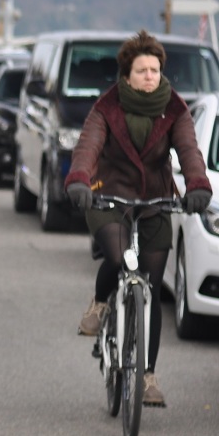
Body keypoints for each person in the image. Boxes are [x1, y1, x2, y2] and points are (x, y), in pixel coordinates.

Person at [64, 29, 213, 406]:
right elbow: (88, 147)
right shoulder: (107, 107)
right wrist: (79, 179)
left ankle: (146, 375)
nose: (150, 76)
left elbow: (190, 151)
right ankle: (100, 305)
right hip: (109, 193)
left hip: (156, 199)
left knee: (149, 282)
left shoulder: (175, 108)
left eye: (155, 70)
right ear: (126, 74)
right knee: (116, 258)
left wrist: (197, 185)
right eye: (142, 70)